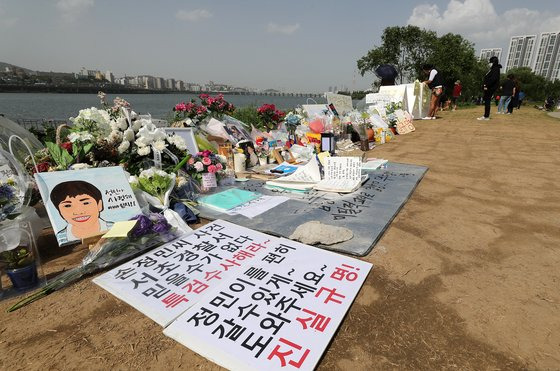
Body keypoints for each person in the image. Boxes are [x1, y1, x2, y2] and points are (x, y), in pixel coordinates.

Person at [477, 56, 501, 121]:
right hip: (489, 87)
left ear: (493, 62)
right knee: (487, 101)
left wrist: (486, 85)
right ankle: (486, 115)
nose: (490, 63)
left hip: (490, 88)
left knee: (487, 101)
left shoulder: (495, 69)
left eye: (491, 62)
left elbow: (493, 79)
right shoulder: (493, 68)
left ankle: (486, 116)